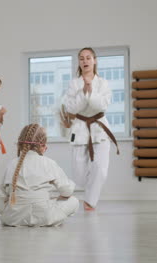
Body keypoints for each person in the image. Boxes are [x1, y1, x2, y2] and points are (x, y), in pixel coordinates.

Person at [63, 47, 119, 211]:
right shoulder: (74, 83)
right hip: (80, 128)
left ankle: (90, 201)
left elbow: (102, 105)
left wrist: (91, 93)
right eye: (81, 58)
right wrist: (84, 93)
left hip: (100, 128)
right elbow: (71, 108)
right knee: (79, 175)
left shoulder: (103, 83)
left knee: (100, 169)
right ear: (79, 63)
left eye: (88, 57)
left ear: (94, 60)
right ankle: (88, 192)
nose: (85, 61)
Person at [0, 123, 79, 227]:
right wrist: (67, 188)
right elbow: (67, 192)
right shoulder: (49, 163)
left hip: (14, 218)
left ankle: (14, 213)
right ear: (42, 145)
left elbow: (5, 192)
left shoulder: (12, 163)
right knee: (73, 201)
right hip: (44, 217)